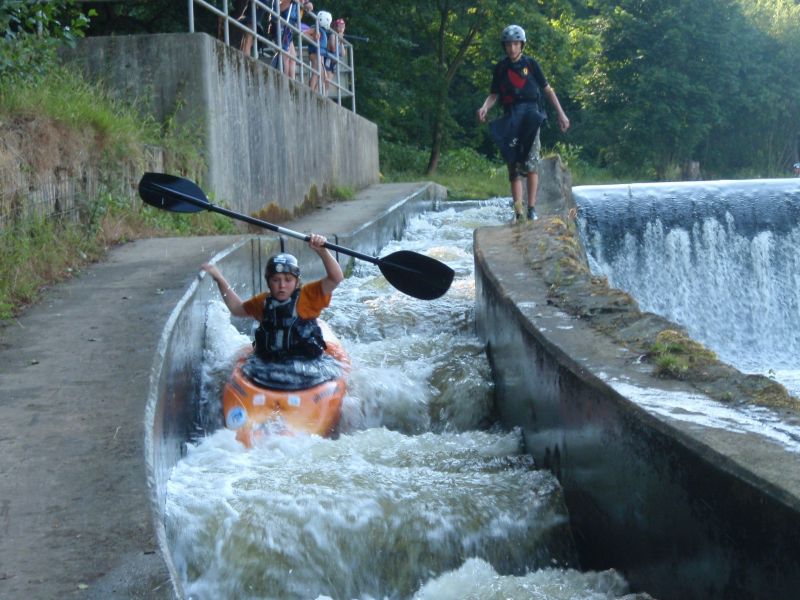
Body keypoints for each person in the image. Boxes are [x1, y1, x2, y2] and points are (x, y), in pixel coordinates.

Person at [477, 24, 570, 222]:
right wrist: (485, 107)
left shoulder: (531, 64)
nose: (512, 48)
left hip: (531, 115)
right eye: (508, 44)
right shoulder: (501, 68)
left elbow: (547, 90)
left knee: (531, 163)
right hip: (511, 116)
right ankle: (518, 211)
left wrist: (561, 114)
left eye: (515, 44)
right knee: (513, 164)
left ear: (521, 45)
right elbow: (494, 94)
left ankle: (532, 208)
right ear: (504, 46)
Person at [201, 233, 343, 361]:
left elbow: (336, 278)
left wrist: (322, 251)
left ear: (297, 282)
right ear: (268, 282)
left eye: (288, 280)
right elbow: (237, 309)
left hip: (307, 363)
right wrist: (219, 279)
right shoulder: (263, 302)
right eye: (276, 280)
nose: (282, 285)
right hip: (269, 365)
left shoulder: (308, 296)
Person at [307, 10, 332, 93]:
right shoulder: (315, 28)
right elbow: (304, 33)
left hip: (320, 54)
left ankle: (315, 92)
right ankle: (311, 91)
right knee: (316, 71)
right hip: (315, 53)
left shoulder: (322, 30)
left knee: (323, 76)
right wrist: (313, 38)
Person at [325, 17, 347, 91]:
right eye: (339, 26)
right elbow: (333, 48)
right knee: (325, 82)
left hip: (333, 64)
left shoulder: (339, 37)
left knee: (328, 83)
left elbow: (343, 54)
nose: (341, 29)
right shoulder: (333, 35)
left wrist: (341, 42)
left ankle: (324, 96)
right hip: (328, 61)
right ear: (335, 27)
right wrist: (339, 39)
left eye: (343, 27)